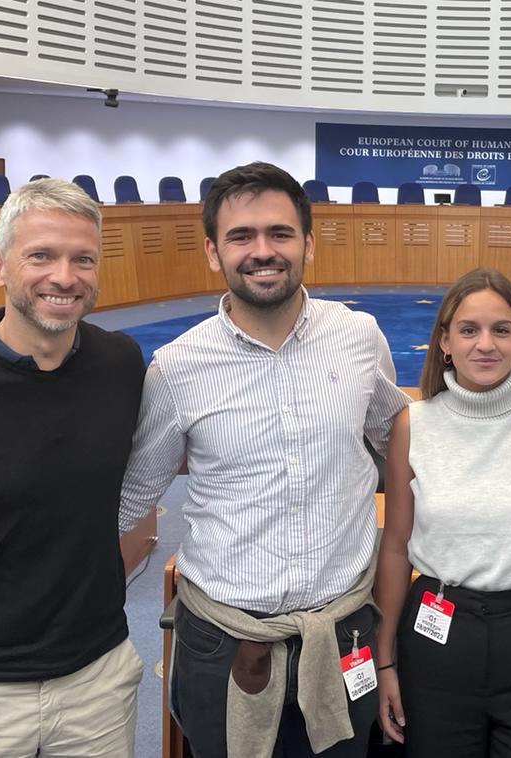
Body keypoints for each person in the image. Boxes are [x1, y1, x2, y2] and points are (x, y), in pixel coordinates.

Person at [118, 161, 410, 758]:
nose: (262, 251)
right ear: (211, 251)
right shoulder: (175, 368)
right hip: (224, 643)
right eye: (240, 236)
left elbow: (396, 438)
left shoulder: (359, 338)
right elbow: (132, 501)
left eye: (279, 233)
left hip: (344, 634)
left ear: (308, 242)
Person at [0, 178, 146, 757]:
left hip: (98, 678)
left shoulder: (120, 364)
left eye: (83, 259)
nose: (64, 277)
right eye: (40, 255)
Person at [374, 267, 511, 758]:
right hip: (436, 640)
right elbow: (394, 547)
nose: (486, 344)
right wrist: (384, 663)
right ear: (444, 342)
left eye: (502, 330)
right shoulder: (414, 424)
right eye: (469, 330)